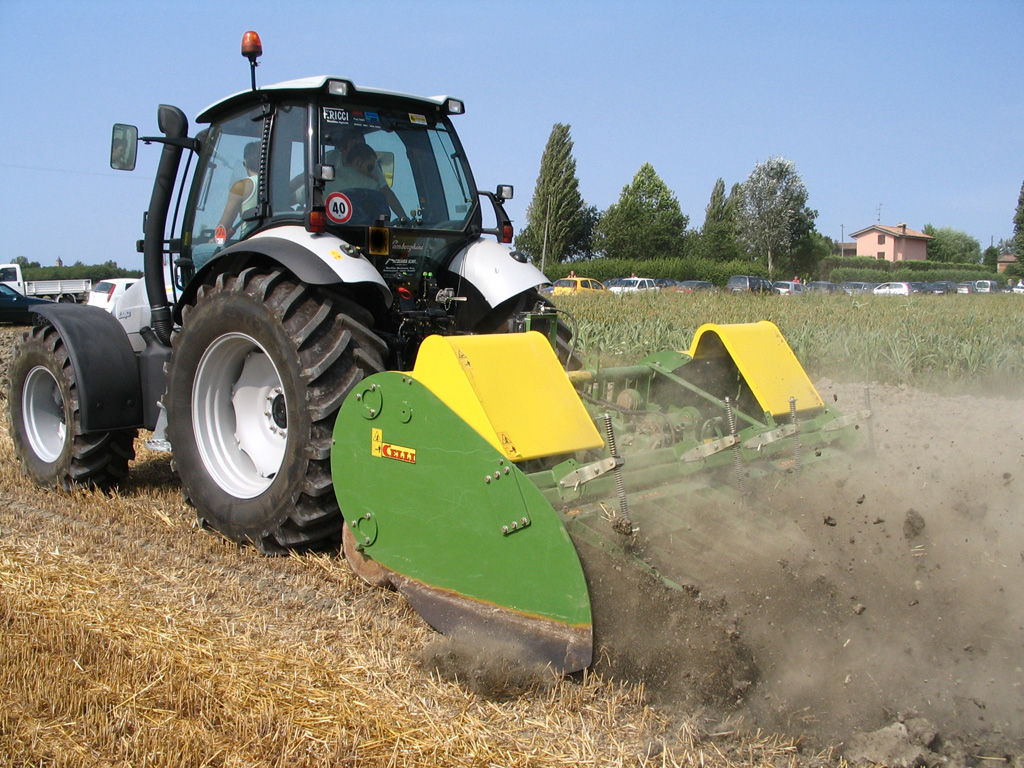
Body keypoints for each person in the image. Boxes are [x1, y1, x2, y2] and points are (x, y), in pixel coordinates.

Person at [214, 141, 261, 243]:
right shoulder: (277, 187)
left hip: (249, 242)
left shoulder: (241, 186)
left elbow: (223, 228)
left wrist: (212, 241)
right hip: (270, 242)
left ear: (245, 163)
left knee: (199, 252)